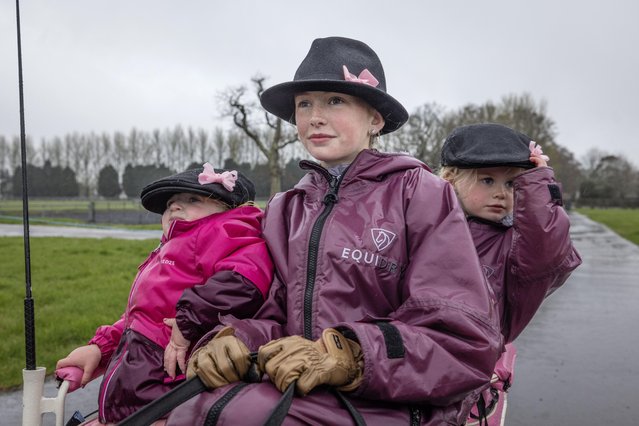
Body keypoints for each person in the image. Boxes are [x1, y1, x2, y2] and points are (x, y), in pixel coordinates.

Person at [164, 36, 502, 426]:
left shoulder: (422, 194)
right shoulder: (285, 207)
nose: (314, 117)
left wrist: (349, 355)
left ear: (375, 119)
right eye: (304, 104)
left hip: (395, 398)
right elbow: (275, 312)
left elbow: (461, 340)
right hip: (302, 388)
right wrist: (237, 339)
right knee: (193, 410)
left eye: (335, 101)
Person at [55, 164, 274, 424]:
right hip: (141, 378)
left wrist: (187, 321)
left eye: (192, 199)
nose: (175, 207)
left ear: (229, 209)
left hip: (171, 379)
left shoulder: (225, 230)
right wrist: (100, 349)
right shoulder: (171, 248)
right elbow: (143, 317)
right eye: (171, 203)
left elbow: (244, 279)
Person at [438, 123, 582, 425]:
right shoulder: (427, 227)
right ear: (451, 179)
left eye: (511, 184)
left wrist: (540, 185)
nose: (501, 194)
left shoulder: (515, 246)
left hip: (465, 385)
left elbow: (547, 251)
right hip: (411, 368)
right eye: (487, 180)